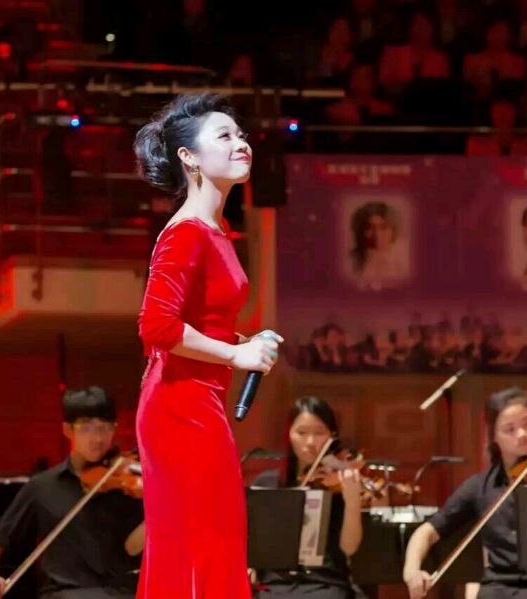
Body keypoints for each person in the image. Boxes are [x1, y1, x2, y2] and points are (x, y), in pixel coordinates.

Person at [133, 92, 283, 598]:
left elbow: (200, 324)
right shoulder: (187, 233)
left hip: (200, 399)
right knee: (201, 541)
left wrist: (244, 343)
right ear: (189, 157)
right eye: (224, 136)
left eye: (241, 135)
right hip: (178, 405)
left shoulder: (217, 230)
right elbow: (156, 327)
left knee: (215, 538)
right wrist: (236, 355)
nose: (241, 144)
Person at [403, 387, 527, 599]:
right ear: (494, 436)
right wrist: (411, 571)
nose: (522, 434)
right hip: (498, 588)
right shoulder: (480, 487)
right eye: (509, 429)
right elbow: (427, 531)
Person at [0, 387, 145, 599]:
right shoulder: (42, 487)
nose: (97, 438)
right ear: (67, 430)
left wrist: (160, 513)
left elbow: (132, 548)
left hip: (120, 594)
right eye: (87, 428)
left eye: (105, 428)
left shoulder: (125, 485)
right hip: (65, 594)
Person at [251, 396, 365, 599]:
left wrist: (352, 502)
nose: (310, 442)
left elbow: (349, 548)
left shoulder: (338, 485)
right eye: (302, 433)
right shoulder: (267, 483)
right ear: (289, 434)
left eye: (319, 433)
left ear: (332, 435)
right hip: (274, 584)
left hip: (325, 583)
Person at [349, 201, 409, 291]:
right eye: (369, 228)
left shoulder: (405, 258)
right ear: (360, 231)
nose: (377, 235)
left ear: (393, 230)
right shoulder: (350, 261)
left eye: (383, 227)